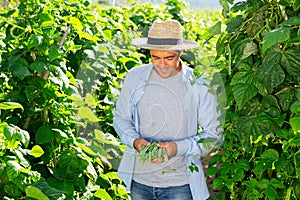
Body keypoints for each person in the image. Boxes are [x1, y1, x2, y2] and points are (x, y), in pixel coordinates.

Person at [113, 19, 224, 200]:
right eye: (155, 58)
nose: (162, 65)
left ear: (180, 52)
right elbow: (121, 118)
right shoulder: (135, 77)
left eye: (169, 58)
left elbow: (214, 134)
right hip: (140, 182)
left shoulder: (199, 84)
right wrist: (134, 142)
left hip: (180, 185)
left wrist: (177, 148)